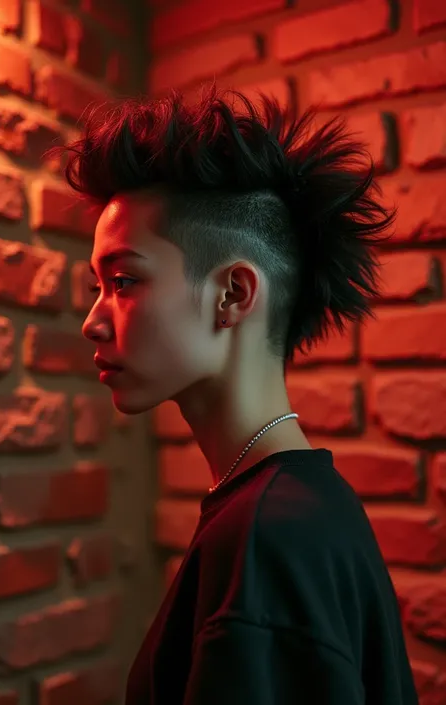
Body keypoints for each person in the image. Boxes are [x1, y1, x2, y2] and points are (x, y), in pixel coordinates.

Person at [52, 84, 419, 704]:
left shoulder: (269, 542)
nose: (92, 320)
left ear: (233, 295)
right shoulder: (301, 506)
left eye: (123, 280)